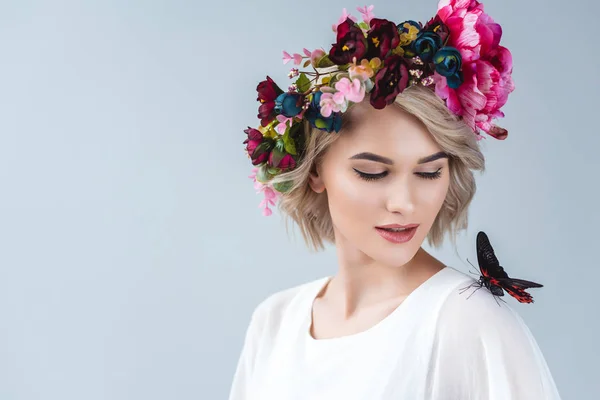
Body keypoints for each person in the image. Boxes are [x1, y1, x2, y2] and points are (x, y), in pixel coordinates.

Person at [231, 1, 562, 399]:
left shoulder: (467, 322)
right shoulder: (274, 322)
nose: (404, 203)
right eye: (372, 173)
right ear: (315, 171)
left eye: (429, 173)